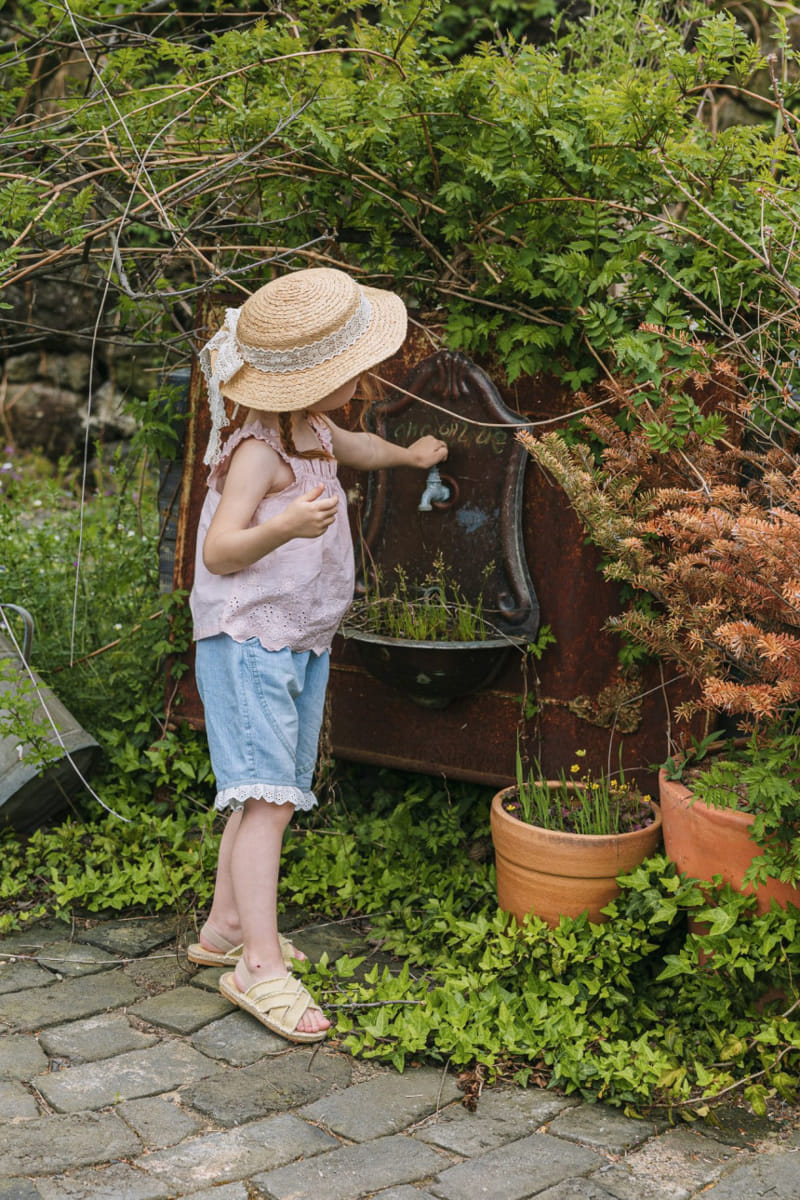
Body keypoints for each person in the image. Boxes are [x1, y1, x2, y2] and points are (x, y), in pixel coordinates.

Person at [185, 267, 447, 1043]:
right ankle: (258, 967)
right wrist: (285, 527)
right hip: (246, 640)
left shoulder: (317, 430)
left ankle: (226, 926)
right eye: (352, 370)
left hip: (296, 636)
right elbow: (221, 548)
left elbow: (358, 445)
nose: (365, 379)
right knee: (267, 799)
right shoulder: (257, 451)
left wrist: (407, 457)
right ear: (305, 378)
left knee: (266, 790)